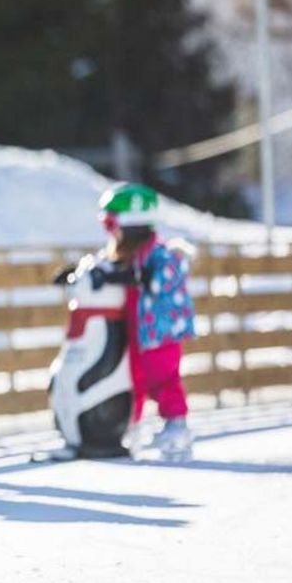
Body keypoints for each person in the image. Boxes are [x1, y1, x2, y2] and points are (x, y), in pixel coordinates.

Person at [98, 183, 196, 458]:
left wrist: (128, 277)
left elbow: (157, 279)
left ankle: (177, 426)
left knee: (162, 378)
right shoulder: (132, 255)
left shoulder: (160, 256)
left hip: (161, 332)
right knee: (136, 379)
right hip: (141, 332)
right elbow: (110, 269)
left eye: (113, 225)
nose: (111, 233)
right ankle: (133, 424)